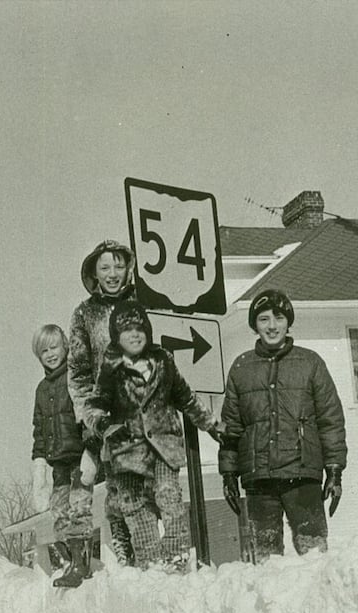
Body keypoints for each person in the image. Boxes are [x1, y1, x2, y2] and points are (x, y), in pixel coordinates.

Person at [86, 301, 221, 571]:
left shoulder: (162, 361)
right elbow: (95, 405)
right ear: (117, 336)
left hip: (164, 445)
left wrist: (210, 423)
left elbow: (185, 396)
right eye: (127, 331)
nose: (134, 335)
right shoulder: (110, 368)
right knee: (136, 509)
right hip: (127, 450)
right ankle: (150, 561)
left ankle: (177, 556)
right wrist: (104, 426)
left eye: (140, 329)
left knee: (169, 496)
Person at [218, 288, 347, 558]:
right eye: (263, 319)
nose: (272, 326)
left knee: (314, 556)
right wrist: (229, 474)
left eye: (278, 318)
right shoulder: (241, 368)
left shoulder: (310, 363)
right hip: (259, 479)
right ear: (255, 325)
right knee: (267, 561)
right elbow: (231, 427)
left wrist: (334, 470)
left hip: (303, 476)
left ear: (288, 322)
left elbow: (330, 419)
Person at [67, 239, 138, 567]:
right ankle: (126, 560)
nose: (113, 274)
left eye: (118, 266)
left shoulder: (143, 303)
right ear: (94, 272)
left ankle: (159, 561)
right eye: (105, 267)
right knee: (118, 491)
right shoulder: (84, 314)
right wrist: (89, 415)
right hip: (108, 418)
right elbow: (78, 373)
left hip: (146, 412)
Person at [30, 324, 95, 587]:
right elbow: (39, 430)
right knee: (59, 513)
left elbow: (88, 414)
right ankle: (69, 562)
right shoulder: (41, 390)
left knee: (79, 508)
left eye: (54, 347)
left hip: (79, 457)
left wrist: (91, 449)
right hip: (57, 462)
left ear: (65, 346)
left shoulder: (75, 378)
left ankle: (82, 564)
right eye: (44, 350)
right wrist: (39, 466)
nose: (50, 354)